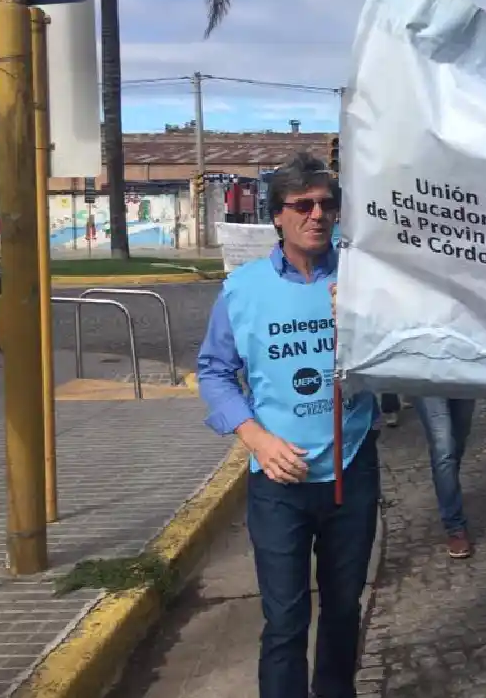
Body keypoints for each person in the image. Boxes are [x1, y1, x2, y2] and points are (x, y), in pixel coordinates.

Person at [197, 152, 379, 698]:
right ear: (277, 215)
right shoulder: (242, 289)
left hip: (351, 470)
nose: (317, 215)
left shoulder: (365, 281)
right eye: (302, 205)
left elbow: (406, 361)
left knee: (344, 609)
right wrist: (255, 437)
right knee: (285, 621)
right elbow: (213, 372)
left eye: (327, 204)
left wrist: (363, 323)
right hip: (279, 481)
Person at [414, 396, 478, 558]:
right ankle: (455, 527)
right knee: (444, 448)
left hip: (463, 378)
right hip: (427, 380)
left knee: (458, 439)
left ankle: (448, 486)